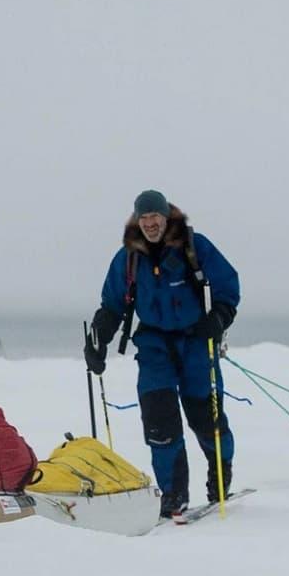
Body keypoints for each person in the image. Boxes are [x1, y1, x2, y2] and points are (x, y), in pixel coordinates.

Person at [84, 190, 240, 516]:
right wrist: (98, 339)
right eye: (144, 218)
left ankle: (220, 476)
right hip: (154, 348)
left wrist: (220, 317)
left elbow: (227, 286)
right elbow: (112, 305)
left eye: (155, 216)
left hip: (197, 343)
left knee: (206, 420)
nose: (150, 223)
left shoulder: (196, 247)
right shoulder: (128, 258)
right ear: (137, 221)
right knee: (160, 423)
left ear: (166, 216)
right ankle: (172, 497)